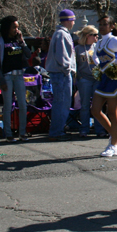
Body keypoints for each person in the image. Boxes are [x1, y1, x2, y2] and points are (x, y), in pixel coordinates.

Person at [93, 15, 117, 157]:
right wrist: (99, 65)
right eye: (100, 24)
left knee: (112, 111)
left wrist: (115, 63)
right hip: (104, 78)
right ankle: (115, 134)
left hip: (114, 79)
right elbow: (94, 56)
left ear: (112, 26)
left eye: (105, 24)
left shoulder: (113, 40)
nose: (101, 27)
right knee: (95, 110)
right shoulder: (100, 41)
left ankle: (113, 145)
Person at [0, 15, 32, 142]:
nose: (16, 29)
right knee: (8, 105)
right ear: (7, 27)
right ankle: (8, 133)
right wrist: (1, 80)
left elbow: (28, 54)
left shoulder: (18, 40)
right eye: (14, 27)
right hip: (7, 77)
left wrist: (22, 41)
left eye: (17, 27)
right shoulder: (0, 42)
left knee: (23, 104)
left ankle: (22, 132)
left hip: (19, 75)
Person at [45, 10, 76, 141]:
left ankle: (58, 129)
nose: (74, 22)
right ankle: (56, 131)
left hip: (59, 73)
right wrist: (67, 69)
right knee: (62, 102)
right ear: (68, 20)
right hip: (61, 73)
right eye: (73, 20)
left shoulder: (59, 34)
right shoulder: (62, 34)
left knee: (61, 102)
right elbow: (62, 56)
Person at [75, 25, 104, 138]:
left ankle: (99, 129)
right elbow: (76, 64)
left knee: (97, 105)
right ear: (88, 36)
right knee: (85, 105)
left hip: (96, 79)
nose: (97, 37)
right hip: (85, 79)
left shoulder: (97, 47)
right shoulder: (78, 49)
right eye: (95, 35)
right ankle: (84, 129)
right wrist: (79, 77)